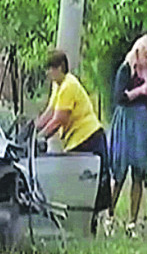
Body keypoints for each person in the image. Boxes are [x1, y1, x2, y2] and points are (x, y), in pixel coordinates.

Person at [35, 49, 113, 233]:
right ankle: (82, 225)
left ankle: (96, 225)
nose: (48, 73)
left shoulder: (69, 85)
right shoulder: (58, 85)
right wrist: (34, 127)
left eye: (50, 69)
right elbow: (50, 111)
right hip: (75, 140)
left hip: (88, 138)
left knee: (93, 187)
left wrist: (41, 137)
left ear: (60, 68)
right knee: (77, 185)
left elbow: (59, 119)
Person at [109, 34, 147, 235]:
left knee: (139, 172)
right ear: (138, 52)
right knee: (120, 172)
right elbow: (119, 97)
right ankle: (110, 214)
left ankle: (133, 220)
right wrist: (141, 90)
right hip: (126, 121)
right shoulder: (126, 70)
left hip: (142, 122)